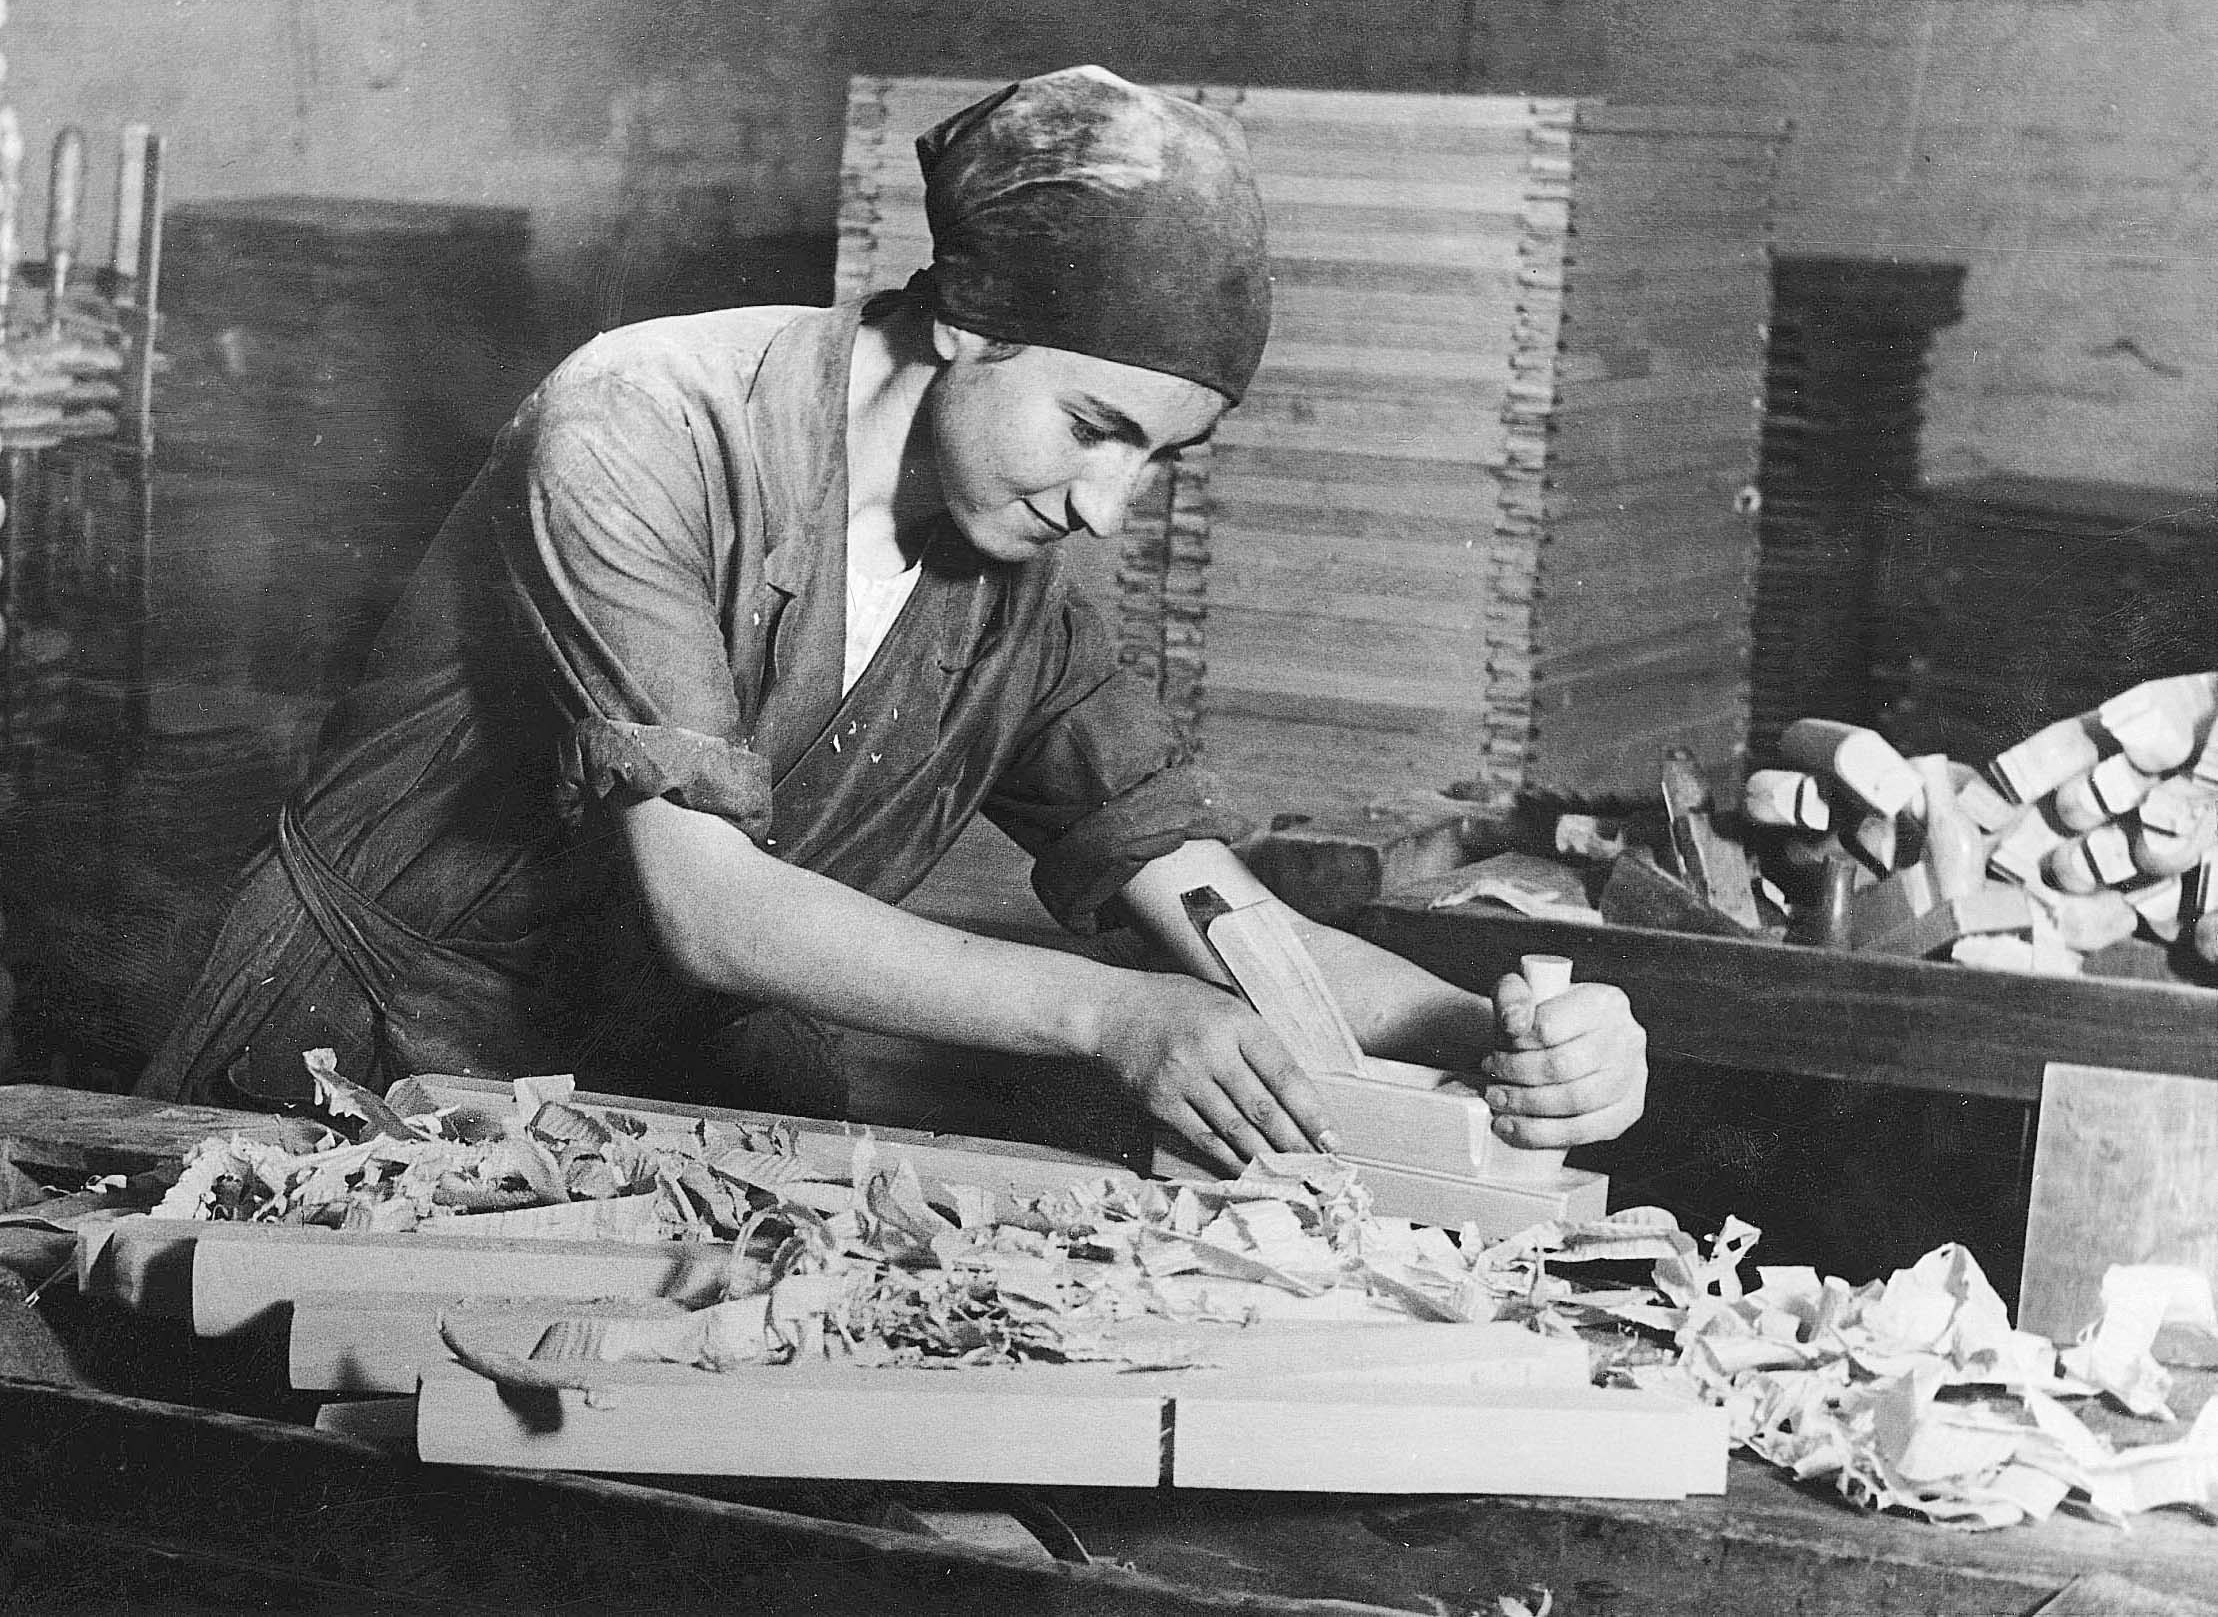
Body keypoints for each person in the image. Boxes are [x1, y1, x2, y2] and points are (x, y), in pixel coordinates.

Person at [140, 66, 1647, 1174]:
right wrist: (1113, 1020)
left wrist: (1484, 1032)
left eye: (1158, 458)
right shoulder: (644, 423)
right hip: (360, 1052)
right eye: (1093, 425)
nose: (1108, 504)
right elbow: (709, 907)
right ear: (968, 321)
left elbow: (1200, 897)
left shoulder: (1029, 576)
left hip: (663, 1094)